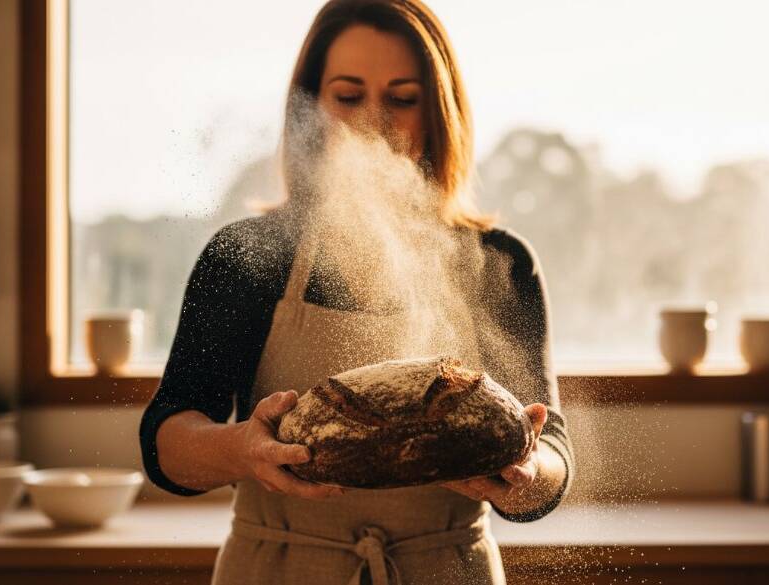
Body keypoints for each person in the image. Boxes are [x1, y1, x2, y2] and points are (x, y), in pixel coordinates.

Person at [139, 1, 575, 584]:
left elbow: (548, 451)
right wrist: (242, 450)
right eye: (348, 97)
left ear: (438, 112)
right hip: (279, 566)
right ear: (310, 107)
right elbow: (166, 441)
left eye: (401, 98)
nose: (374, 119)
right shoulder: (246, 256)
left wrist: (524, 474)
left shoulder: (499, 262)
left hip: (446, 567)